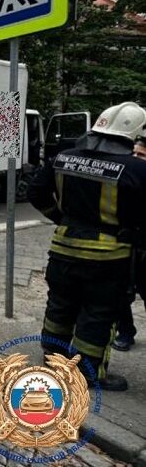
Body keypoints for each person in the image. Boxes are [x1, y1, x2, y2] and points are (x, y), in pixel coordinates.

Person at [29, 103, 146, 391]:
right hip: (109, 258)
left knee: (60, 305)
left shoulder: (63, 157)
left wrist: (61, 218)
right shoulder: (137, 169)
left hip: (63, 248)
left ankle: (53, 358)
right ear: (133, 133)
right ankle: (86, 373)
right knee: (98, 314)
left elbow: (35, 191)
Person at [112, 133, 146, 352]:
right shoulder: (125, 180)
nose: (134, 158)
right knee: (120, 293)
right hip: (126, 247)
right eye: (133, 153)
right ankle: (125, 332)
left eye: (140, 155)